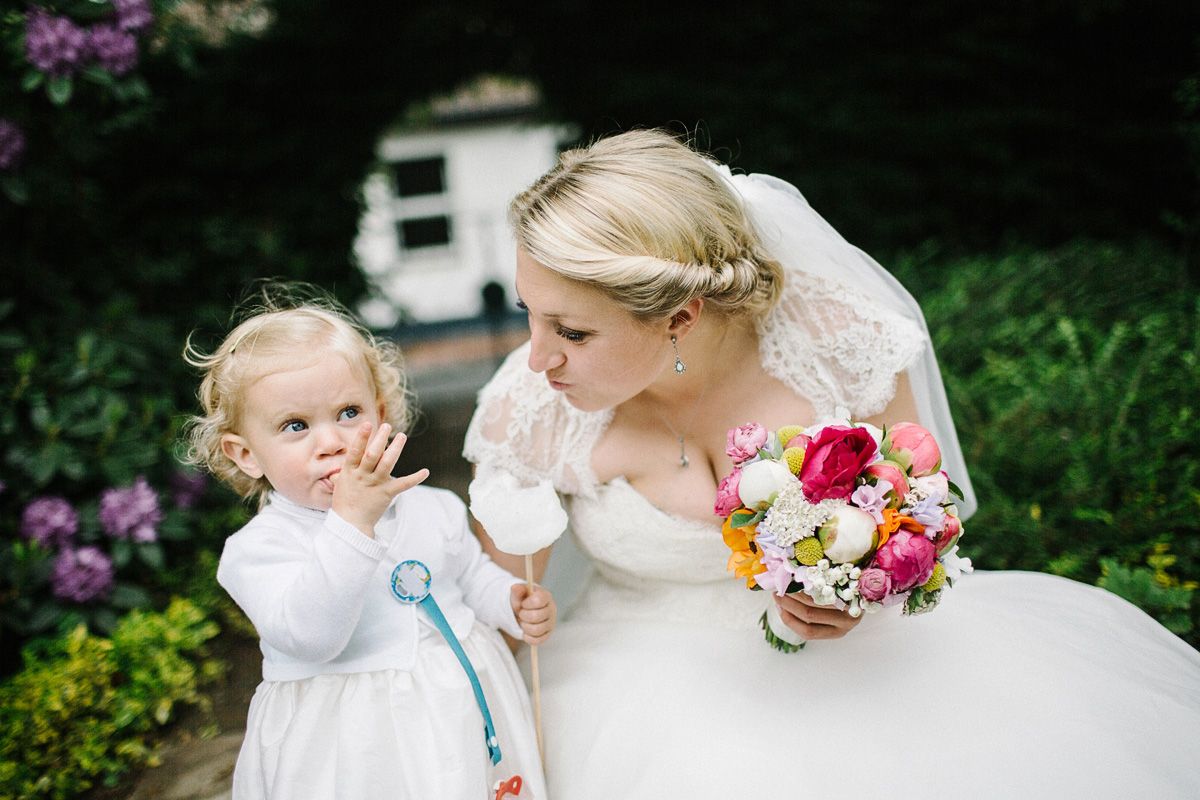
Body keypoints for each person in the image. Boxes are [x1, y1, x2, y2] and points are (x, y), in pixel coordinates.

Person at [463, 129, 1200, 799]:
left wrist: (859, 591)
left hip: (874, 671)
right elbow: (492, 610)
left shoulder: (837, 345)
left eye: (572, 331)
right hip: (625, 687)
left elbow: (920, 515)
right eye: (531, 313)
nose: (537, 356)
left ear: (680, 317)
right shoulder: (529, 405)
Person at [183, 285, 553, 799]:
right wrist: (352, 522)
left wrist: (509, 600)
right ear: (246, 454)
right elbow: (312, 636)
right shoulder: (259, 550)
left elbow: (469, 576)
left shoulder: (433, 506)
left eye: (349, 413)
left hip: (459, 711)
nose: (331, 441)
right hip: (353, 742)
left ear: (381, 413)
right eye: (295, 426)